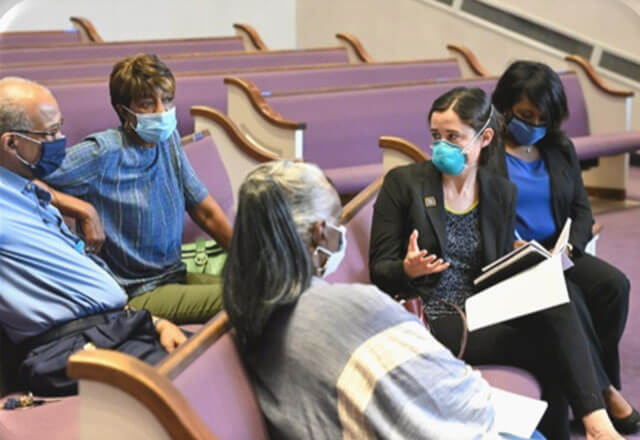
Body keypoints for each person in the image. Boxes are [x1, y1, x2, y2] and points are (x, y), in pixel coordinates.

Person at [223, 159, 550, 440]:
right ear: (321, 231)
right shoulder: (353, 306)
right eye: (339, 224)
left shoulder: (251, 309)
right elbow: (460, 400)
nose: (342, 235)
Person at [368, 87, 624, 440]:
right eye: (435, 136)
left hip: (484, 306)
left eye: (453, 136)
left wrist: (523, 259)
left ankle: (592, 423)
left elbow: (494, 266)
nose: (442, 145)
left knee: (559, 293)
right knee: (554, 345)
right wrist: (407, 269)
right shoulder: (404, 184)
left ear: (484, 137)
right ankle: (599, 422)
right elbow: (379, 269)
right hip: (436, 315)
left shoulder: (499, 191)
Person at [0, 77, 186, 397]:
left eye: (60, 128)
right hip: (67, 352)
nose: (61, 140)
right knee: (199, 385)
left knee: (220, 361)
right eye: (49, 133)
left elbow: (78, 290)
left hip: (115, 329)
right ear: (12, 144)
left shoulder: (29, 190)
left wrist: (152, 322)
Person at [492, 60, 637, 435]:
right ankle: (601, 394)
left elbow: (581, 210)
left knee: (613, 285)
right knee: (565, 293)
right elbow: (477, 217)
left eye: (543, 119)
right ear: (506, 105)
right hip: (512, 258)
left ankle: (596, 383)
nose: (534, 126)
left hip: (558, 250)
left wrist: (570, 248)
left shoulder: (558, 148)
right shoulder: (487, 153)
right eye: (526, 115)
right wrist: (509, 243)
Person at [39, 54, 233, 324]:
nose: (161, 111)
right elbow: (18, 174)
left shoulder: (168, 140)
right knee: (248, 297)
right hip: (136, 291)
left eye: (166, 100)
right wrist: (79, 207)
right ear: (123, 111)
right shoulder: (102, 152)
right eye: (146, 104)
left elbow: (204, 210)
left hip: (174, 274)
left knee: (264, 285)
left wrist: (245, 255)